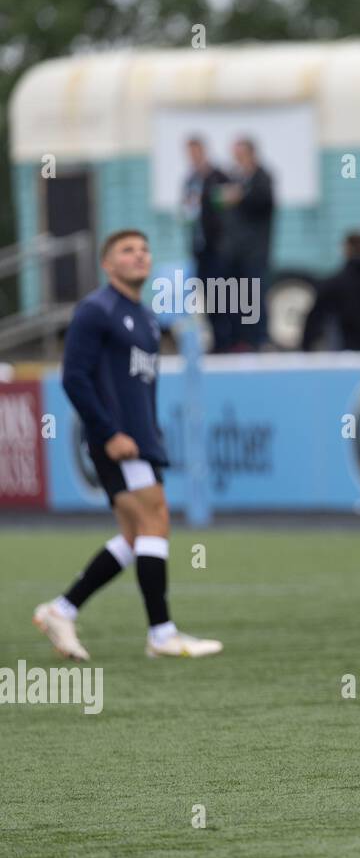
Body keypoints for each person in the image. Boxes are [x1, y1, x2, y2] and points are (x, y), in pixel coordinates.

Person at [33, 230, 223, 660]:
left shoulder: (149, 319)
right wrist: (109, 431)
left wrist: (147, 434)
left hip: (140, 439)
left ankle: (61, 610)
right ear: (107, 263)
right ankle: (161, 634)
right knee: (155, 520)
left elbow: (141, 388)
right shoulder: (95, 311)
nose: (139, 256)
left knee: (136, 534)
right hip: (117, 440)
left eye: (144, 249)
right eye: (127, 250)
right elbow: (74, 378)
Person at [220, 137, 275, 350]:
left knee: (255, 296)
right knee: (236, 297)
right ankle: (240, 340)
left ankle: (259, 339)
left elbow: (262, 202)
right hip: (235, 252)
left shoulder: (262, 177)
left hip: (255, 252)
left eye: (240, 154)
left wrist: (240, 197)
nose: (237, 159)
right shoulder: (236, 178)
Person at [180, 137, 231, 346]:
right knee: (207, 295)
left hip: (218, 247)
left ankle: (226, 339)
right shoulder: (190, 179)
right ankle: (216, 340)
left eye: (196, 152)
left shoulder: (218, 177)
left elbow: (226, 212)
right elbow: (188, 210)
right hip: (200, 247)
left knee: (223, 295)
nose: (193, 157)